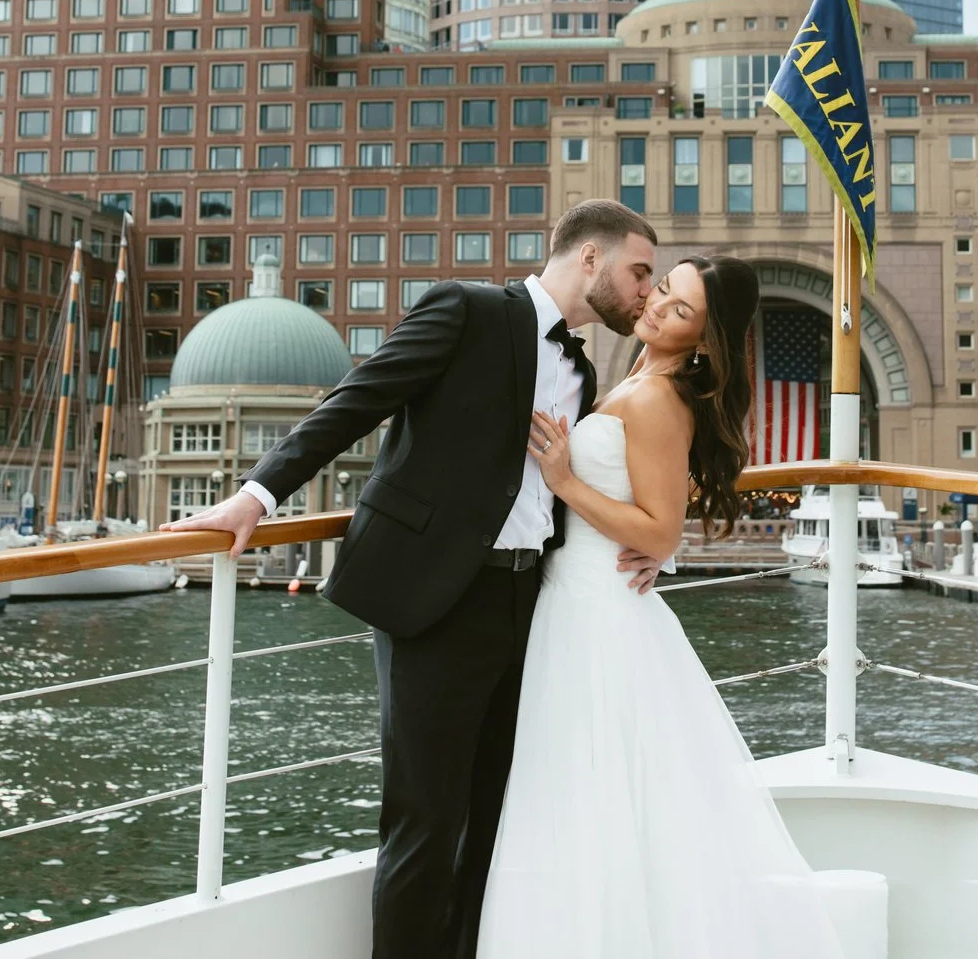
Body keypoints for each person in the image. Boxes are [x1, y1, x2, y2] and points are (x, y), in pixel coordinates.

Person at [164, 199, 661, 959]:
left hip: (532, 603)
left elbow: (547, 492)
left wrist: (646, 543)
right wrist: (256, 494)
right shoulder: (465, 309)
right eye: (639, 272)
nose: (644, 293)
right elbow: (360, 399)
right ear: (589, 259)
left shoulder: (582, 368)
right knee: (425, 823)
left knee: (494, 813)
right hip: (439, 601)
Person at [475, 255, 844, 959]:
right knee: (594, 800)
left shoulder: (656, 398)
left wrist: (563, 480)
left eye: (678, 310)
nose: (655, 308)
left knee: (595, 798)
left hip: (597, 613)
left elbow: (659, 528)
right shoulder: (640, 379)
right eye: (663, 290)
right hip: (584, 600)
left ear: (704, 338)